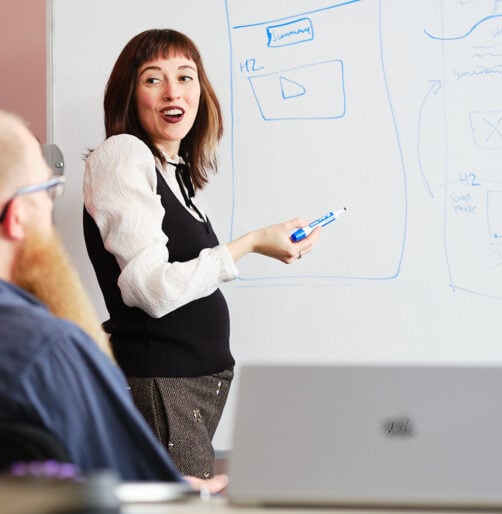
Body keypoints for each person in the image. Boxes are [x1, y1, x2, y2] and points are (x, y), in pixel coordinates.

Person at [0, 110, 223, 491]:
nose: (50, 206)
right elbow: (145, 492)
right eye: (47, 191)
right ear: (15, 217)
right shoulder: (49, 350)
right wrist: (184, 491)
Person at [82, 29, 322, 482]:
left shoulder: (175, 175)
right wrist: (250, 243)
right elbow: (151, 290)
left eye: (185, 77)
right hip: (163, 387)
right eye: (153, 79)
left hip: (190, 389)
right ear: (129, 95)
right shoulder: (123, 154)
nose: (173, 92)